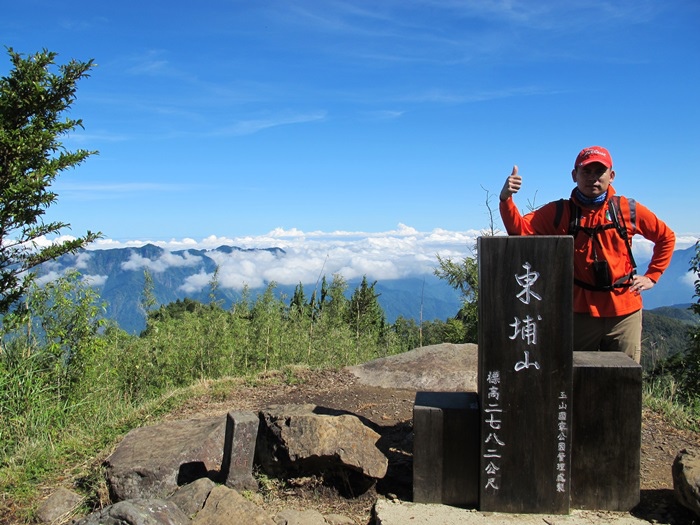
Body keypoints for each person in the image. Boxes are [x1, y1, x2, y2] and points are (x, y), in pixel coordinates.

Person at [498, 146, 675, 363]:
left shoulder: (627, 209)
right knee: (573, 374)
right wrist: (506, 199)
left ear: (611, 176)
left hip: (624, 312)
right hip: (580, 311)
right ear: (575, 176)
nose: (593, 178)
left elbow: (666, 237)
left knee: (624, 379)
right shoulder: (561, 212)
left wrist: (652, 275)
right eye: (586, 172)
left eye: (599, 172)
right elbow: (520, 231)